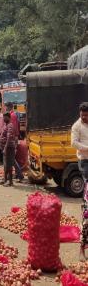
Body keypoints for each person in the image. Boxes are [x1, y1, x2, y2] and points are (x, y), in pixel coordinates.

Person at [71, 102, 88, 260]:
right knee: (87, 216)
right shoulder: (77, 126)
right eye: (83, 115)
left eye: (87, 115)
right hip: (85, 162)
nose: (85, 117)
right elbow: (73, 143)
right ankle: (82, 248)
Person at [0, 113, 17, 187]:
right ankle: (5, 179)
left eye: (5, 117)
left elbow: (9, 138)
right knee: (5, 165)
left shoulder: (10, 125)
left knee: (9, 165)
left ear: (8, 117)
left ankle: (10, 182)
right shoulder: (5, 125)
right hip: (5, 148)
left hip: (9, 148)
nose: (3, 119)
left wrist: (5, 148)